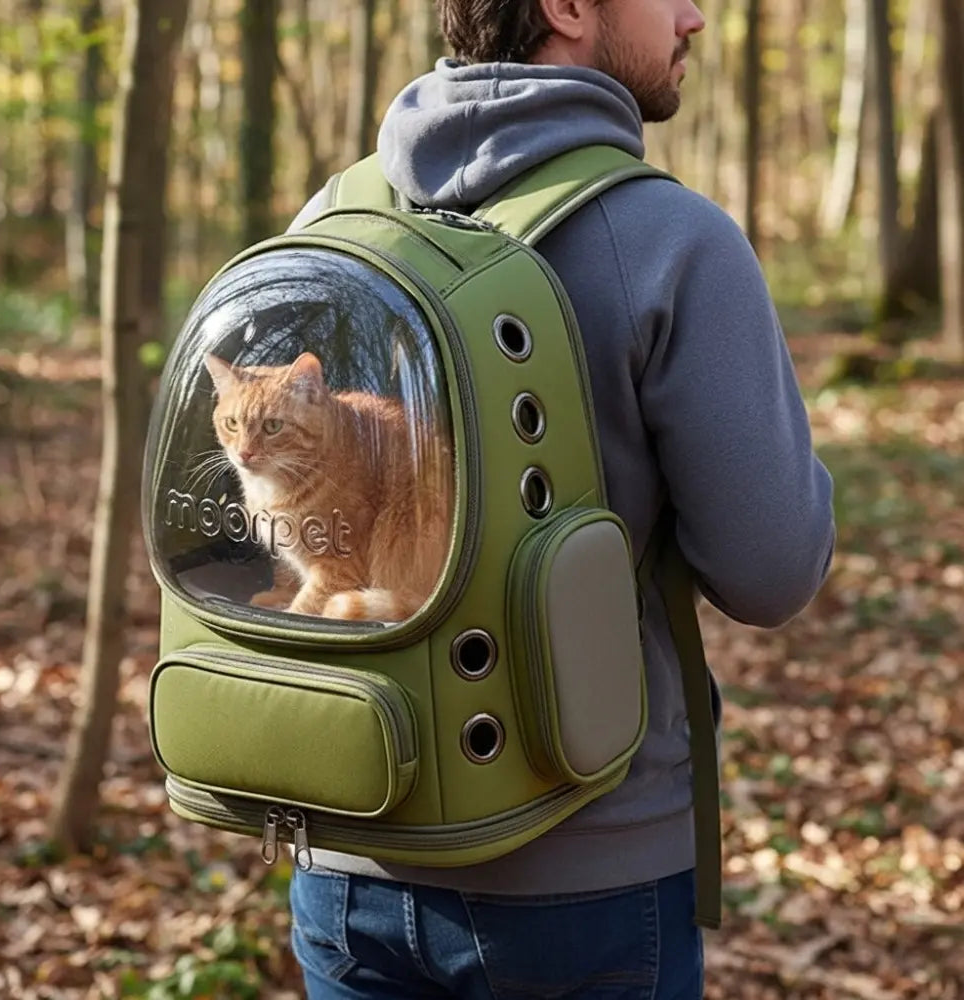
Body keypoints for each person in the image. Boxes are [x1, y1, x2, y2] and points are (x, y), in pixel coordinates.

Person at [285, 1, 836, 997]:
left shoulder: (331, 216)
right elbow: (771, 571)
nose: (695, 17)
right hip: (590, 876)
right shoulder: (674, 239)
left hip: (351, 850)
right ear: (568, 7)